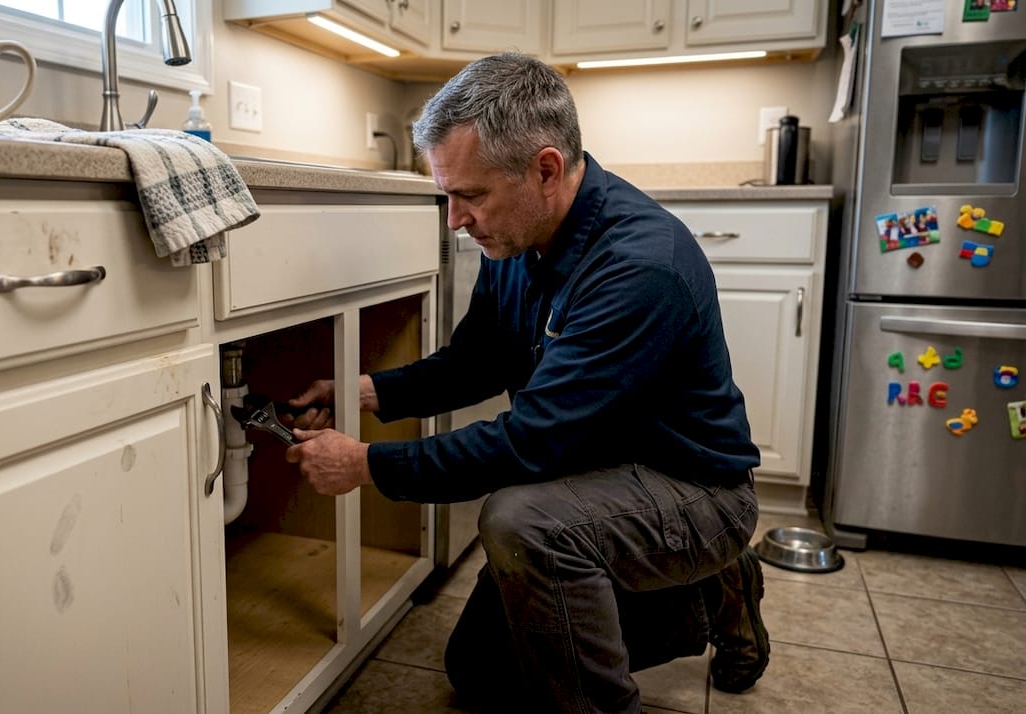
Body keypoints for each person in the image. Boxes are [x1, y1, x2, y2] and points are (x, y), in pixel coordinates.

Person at [283, 52, 768, 714]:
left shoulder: (638, 268)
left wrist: (365, 464)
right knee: (477, 670)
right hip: (592, 471)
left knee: (522, 522)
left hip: (692, 487)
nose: (455, 219)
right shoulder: (521, 240)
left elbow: (530, 446)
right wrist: (365, 390)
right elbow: (475, 361)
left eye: (470, 195)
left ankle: (706, 590)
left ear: (544, 170)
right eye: (447, 194)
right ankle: (690, 585)